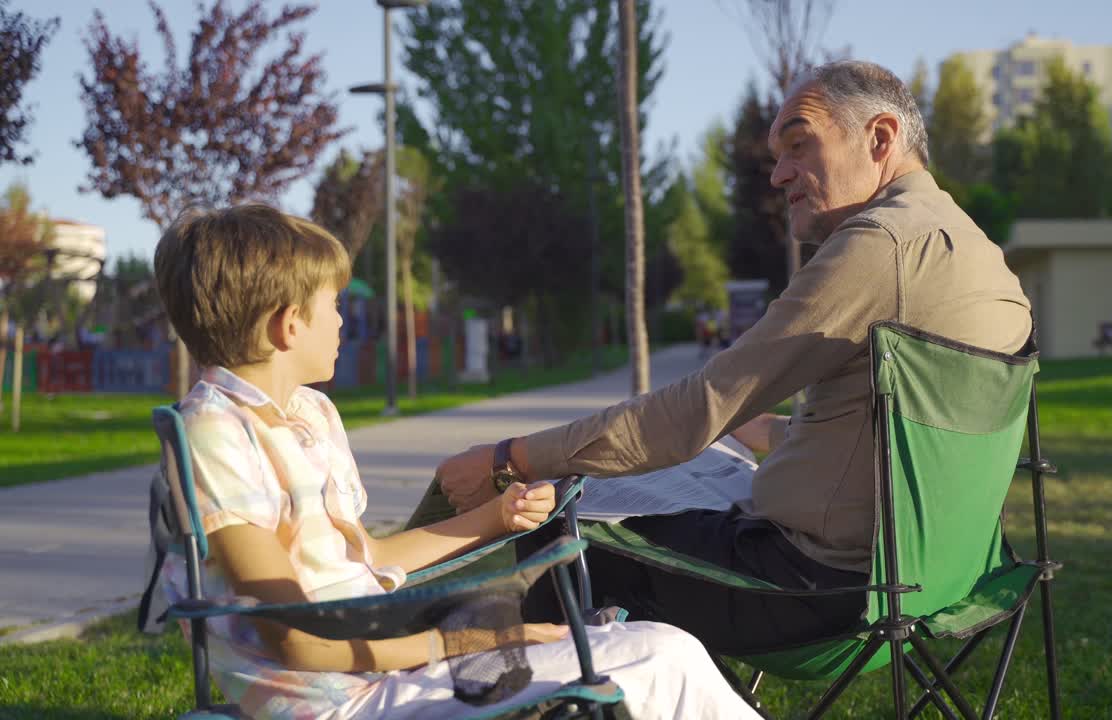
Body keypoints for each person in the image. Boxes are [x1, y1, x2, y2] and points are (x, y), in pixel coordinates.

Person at [433, 60, 1033, 656]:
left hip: (815, 593)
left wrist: (510, 458)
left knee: (552, 520)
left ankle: (558, 694)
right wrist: (767, 429)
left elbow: (691, 412)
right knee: (684, 480)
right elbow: (901, 438)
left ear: (879, 139)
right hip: (936, 585)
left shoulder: (879, 243)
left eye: (799, 144)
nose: (778, 175)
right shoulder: (983, 257)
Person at [153, 205, 755, 720]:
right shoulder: (216, 433)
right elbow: (299, 638)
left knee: (657, 648)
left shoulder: (307, 414)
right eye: (333, 304)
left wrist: (498, 516)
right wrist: (473, 641)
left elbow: (373, 558)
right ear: (289, 325)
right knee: (659, 657)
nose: (342, 320)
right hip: (343, 699)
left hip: (380, 664)